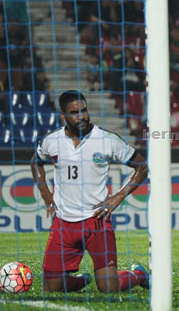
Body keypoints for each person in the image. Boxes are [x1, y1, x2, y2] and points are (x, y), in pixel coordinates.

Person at [30, 91, 149, 293]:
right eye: (75, 112)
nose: (82, 116)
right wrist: (46, 195)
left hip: (96, 222)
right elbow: (36, 162)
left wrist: (118, 196)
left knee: (108, 288)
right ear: (63, 115)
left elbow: (142, 167)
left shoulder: (107, 140)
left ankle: (138, 275)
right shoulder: (52, 140)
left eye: (84, 110)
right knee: (50, 289)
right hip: (63, 224)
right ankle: (81, 281)